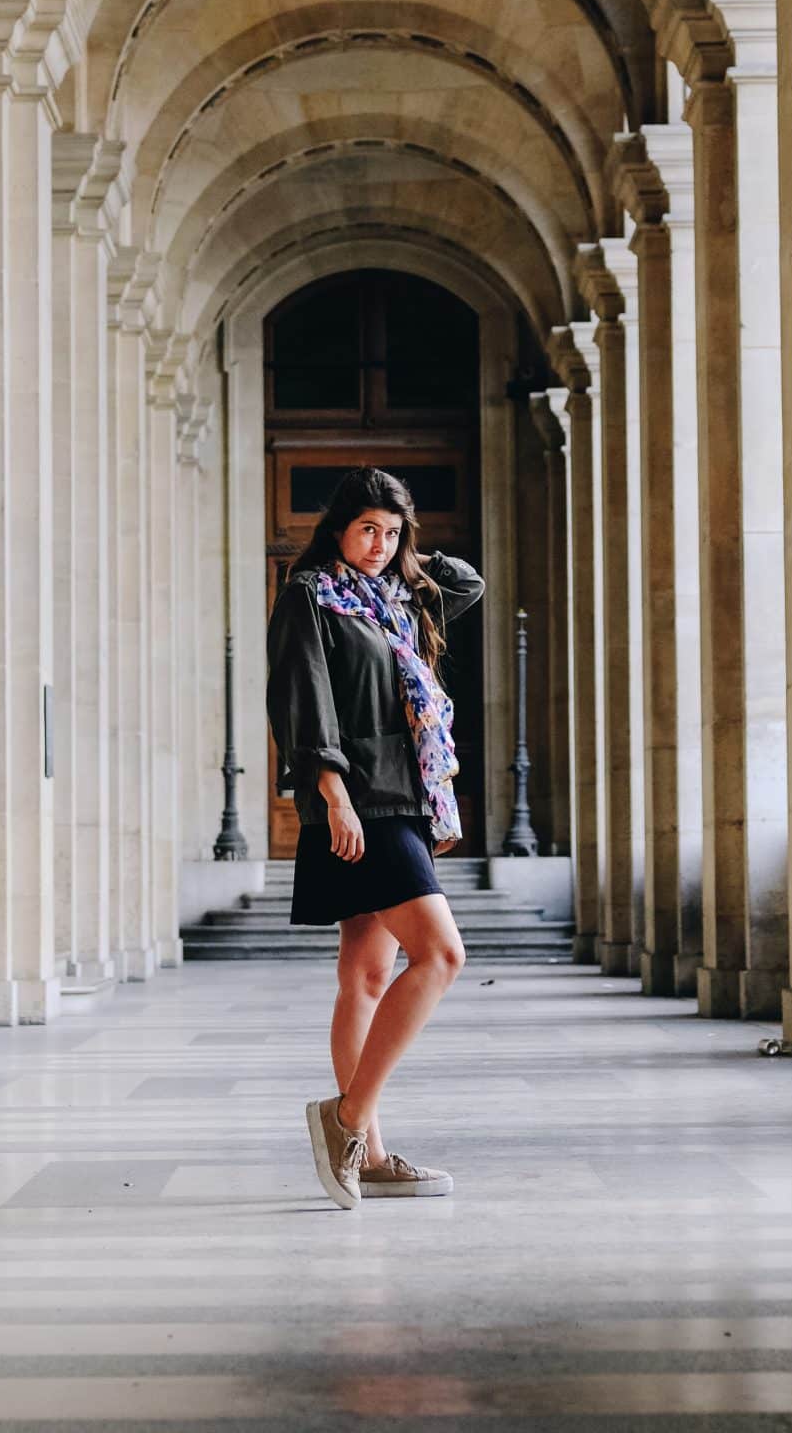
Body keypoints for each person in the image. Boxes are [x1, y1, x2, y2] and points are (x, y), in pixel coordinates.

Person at [266, 466, 484, 1211]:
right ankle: (348, 1119)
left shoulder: (397, 597)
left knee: (363, 974)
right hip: (358, 804)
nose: (378, 546)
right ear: (336, 529)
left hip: (405, 797)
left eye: (391, 535)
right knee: (442, 953)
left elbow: (467, 584)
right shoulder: (309, 597)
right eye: (366, 529)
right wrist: (331, 796)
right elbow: (303, 700)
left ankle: (372, 1153)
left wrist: (410, 550)